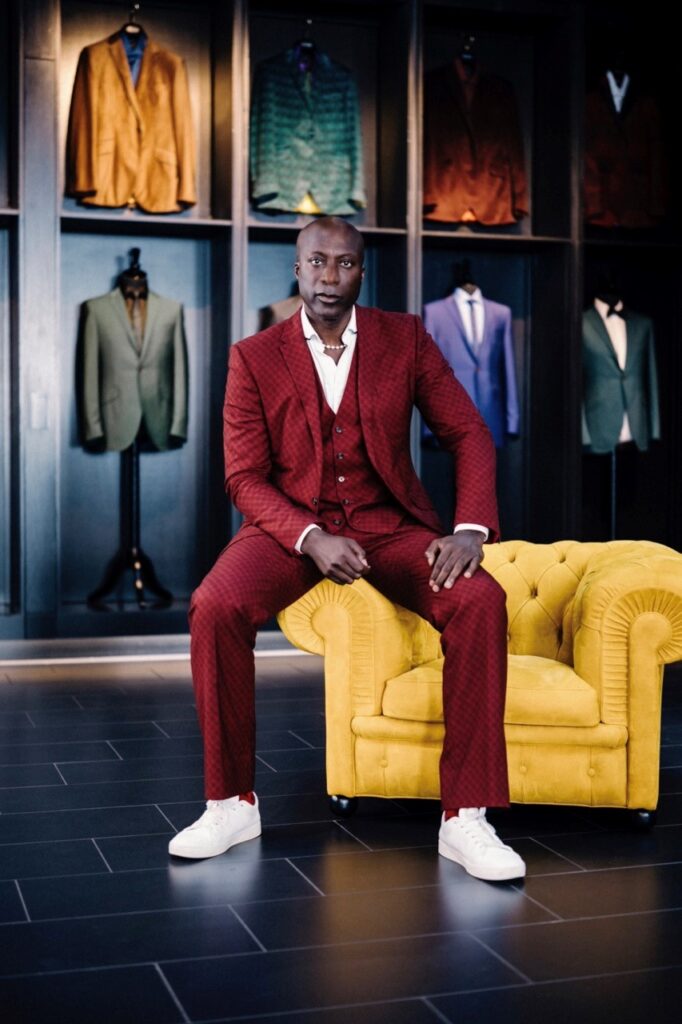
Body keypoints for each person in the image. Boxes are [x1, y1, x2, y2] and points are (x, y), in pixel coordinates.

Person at [169, 217, 526, 882]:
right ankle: (231, 802)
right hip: (292, 527)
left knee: (480, 598)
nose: (329, 278)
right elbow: (242, 477)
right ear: (296, 269)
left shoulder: (406, 338)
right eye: (316, 263)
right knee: (214, 605)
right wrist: (309, 536)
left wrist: (471, 528)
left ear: (362, 272)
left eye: (344, 265)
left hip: (390, 525)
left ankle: (466, 817)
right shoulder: (254, 356)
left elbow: (470, 433)